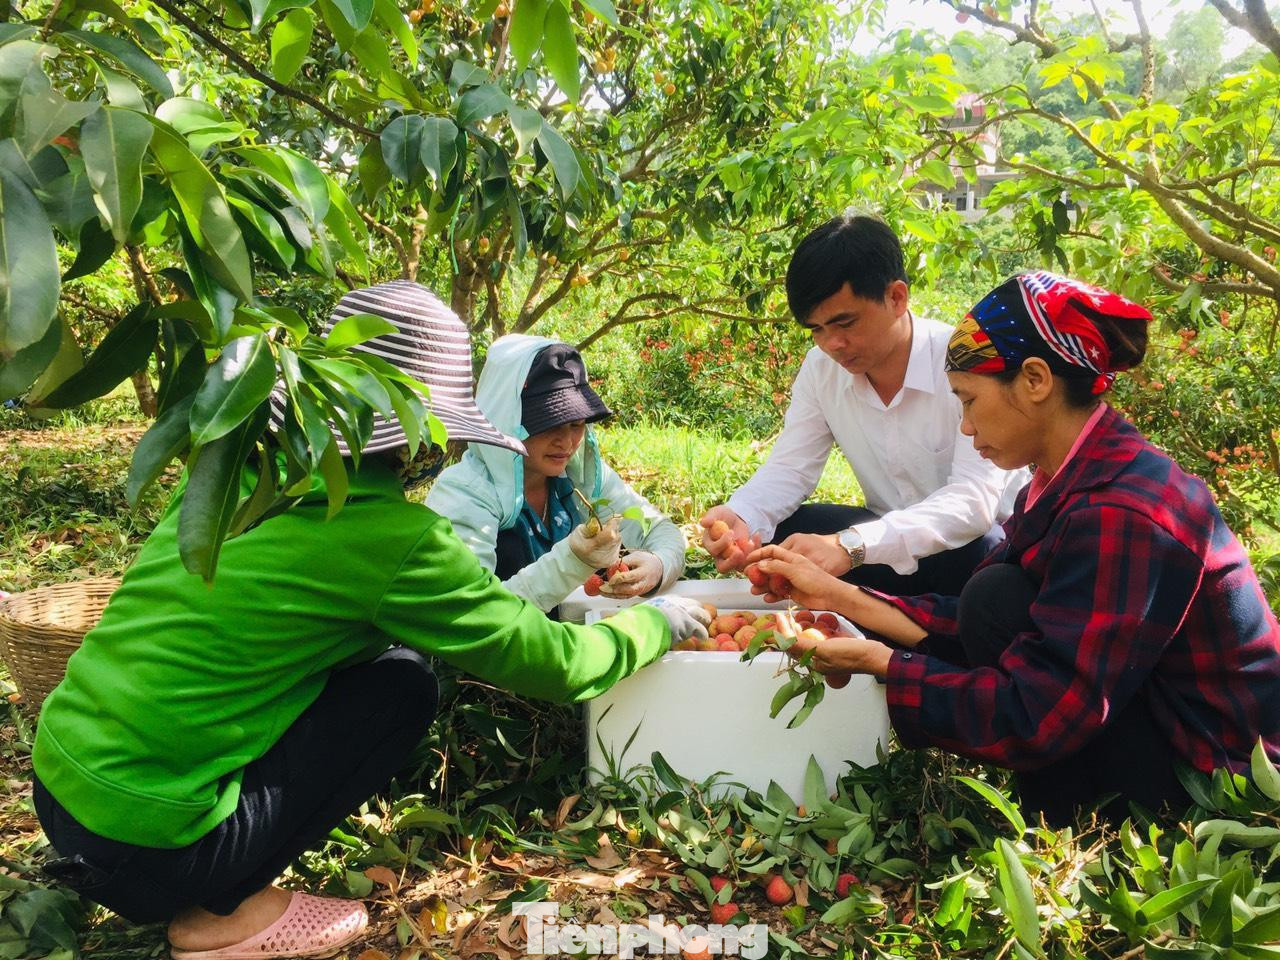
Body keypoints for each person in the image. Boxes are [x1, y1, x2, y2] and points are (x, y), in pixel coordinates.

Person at [30, 282, 710, 959]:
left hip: (58, 789)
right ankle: (222, 912)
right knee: (402, 683)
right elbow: (556, 663)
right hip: (155, 847)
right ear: (427, 427)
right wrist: (659, 623)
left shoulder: (236, 466)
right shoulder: (392, 535)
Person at [746, 271, 1280, 825]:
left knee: (996, 597)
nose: (967, 428)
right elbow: (981, 621)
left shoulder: (1123, 512)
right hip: (1150, 716)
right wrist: (840, 596)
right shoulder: (1065, 481)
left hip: (1216, 778)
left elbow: (1040, 712)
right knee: (993, 594)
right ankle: (1072, 806)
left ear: (1035, 380)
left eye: (970, 401)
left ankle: (1099, 823)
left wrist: (881, 663)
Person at [699, 213, 1026, 597]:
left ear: (897, 297)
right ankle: (873, 613)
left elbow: (973, 504)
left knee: (984, 554)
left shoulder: (962, 362)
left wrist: (850, 545)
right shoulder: (822, 371)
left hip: (981, 550)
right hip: (883, 540)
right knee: (789, 529)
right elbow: (791, 466)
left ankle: (905, 622)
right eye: (817, 329)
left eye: (845, 323)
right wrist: (743, 516)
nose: (831, 344)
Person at [427, 335, 686, 615]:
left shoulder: (579, 478)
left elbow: (660, 530)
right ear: (504, 420)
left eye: (576, 424)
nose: (566, 442)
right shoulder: (463, 495)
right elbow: (473, 616)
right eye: (548, 424)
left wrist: (656, 565)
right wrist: (572, 562)